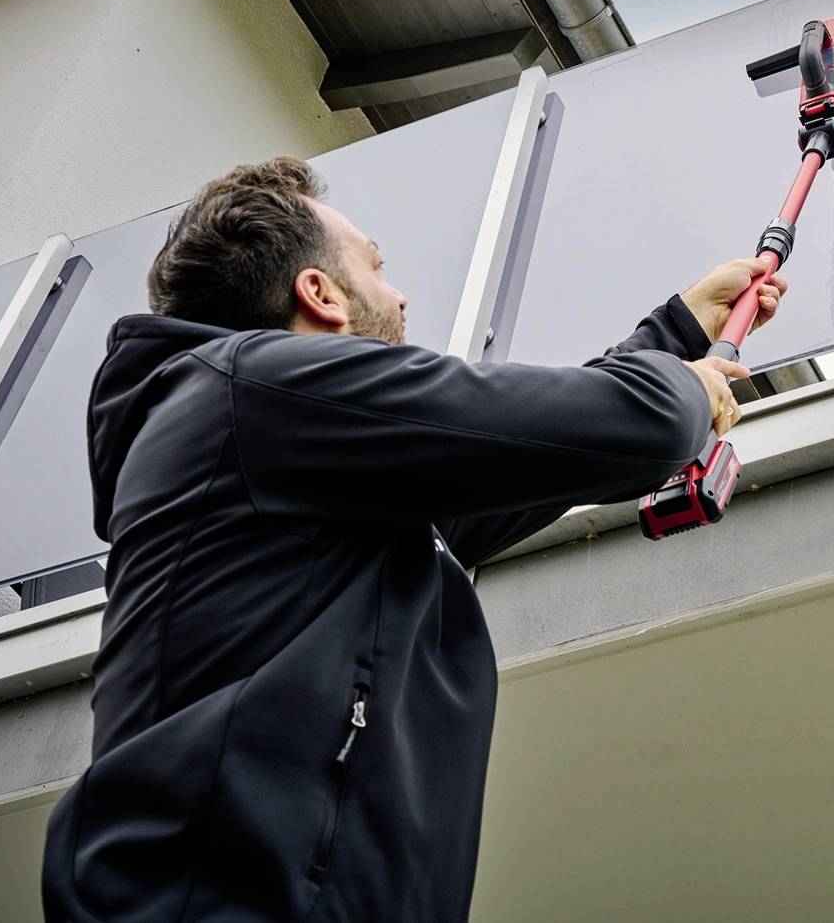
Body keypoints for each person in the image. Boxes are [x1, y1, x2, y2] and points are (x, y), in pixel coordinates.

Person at [40, 156, 787, 922]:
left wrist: (679, 330)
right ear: (320, 295)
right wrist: (687, 386)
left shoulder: (307, 462)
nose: (399, 294)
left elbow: (561, 455)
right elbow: (646, 426)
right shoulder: (254, 387)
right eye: (375, 266)